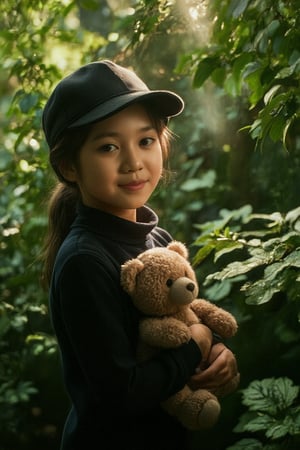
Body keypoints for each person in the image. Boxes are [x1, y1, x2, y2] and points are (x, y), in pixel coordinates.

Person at [41, 59, 238, 450]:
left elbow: (188, 318)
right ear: (69, 166)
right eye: (108, 147)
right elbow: (122, 393)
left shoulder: (157, 238)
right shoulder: (85, 261)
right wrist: (194, 346)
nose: (133, 163)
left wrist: (217, 353)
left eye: (145, 141)